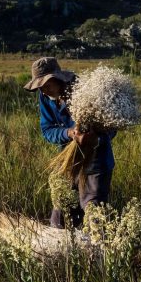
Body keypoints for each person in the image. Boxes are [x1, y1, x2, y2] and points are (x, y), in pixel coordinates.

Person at [23, 57, 116, 229]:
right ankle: (64, 251)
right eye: (40, 88)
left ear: (58, 79)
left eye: (47, 85)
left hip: (97, 162)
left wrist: (95, 137)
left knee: (93, 212)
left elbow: (111, 127)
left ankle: (95, 252)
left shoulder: (87, 91)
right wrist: (69, 133)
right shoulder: (45, 97)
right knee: (61, 213)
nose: (43, 91)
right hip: (69, 161)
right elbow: (47, 130)